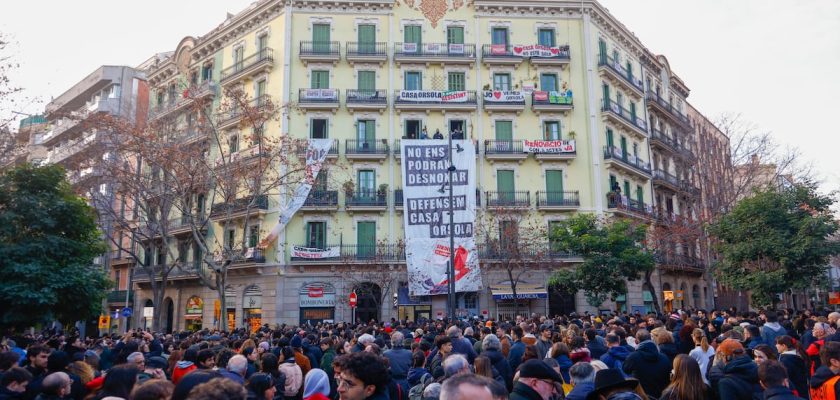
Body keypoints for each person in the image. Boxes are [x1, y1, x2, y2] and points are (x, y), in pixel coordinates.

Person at [622, 329, 671, 398]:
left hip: (643, 395)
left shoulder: (633, 357)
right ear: (650, 338)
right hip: (662, 395)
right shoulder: (664, 357)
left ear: (637, 340)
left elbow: (625, 369)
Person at [775, 336, 808, 400]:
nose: (775, 346)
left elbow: (786, 376)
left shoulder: (785, 359)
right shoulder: (798, 354)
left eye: (777, 344)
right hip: (803, 388)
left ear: (784, 346)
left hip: (794, 390)